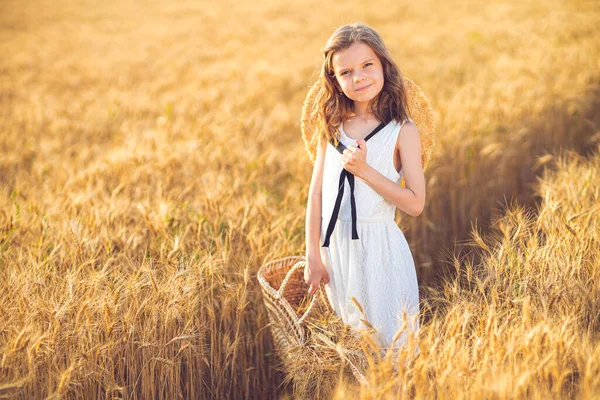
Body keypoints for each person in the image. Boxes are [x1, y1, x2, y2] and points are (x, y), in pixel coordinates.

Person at [303, 23, 424, 355]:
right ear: (335, 81)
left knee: (391, 349)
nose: (358, 77)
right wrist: (313, 255)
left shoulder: (402, 131)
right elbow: (316, 194)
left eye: (367, 65)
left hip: (380, 251)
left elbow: (415, 204)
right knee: (351, 352)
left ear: (384, 64)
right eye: (346, 71)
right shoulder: (330, 126)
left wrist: (365, 171)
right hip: (336, 253)